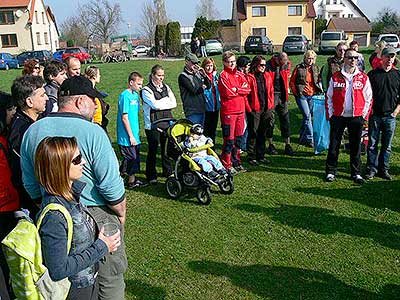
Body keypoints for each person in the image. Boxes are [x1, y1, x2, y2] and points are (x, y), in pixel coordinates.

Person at [20, 75, 127, 300]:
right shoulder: (94, 132)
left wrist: (49, 204)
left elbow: (29, 183)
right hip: (96, 214)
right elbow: (111, 187)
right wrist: (120, 214)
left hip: (51, 210)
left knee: (65, 284)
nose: (96, 104)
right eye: (93, 99)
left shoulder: (32, 131)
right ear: (80, 102)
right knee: (110, 278)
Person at [34, 136, 121, 300]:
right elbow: (58, 269)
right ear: (59, 167)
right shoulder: (54, 216)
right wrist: (101, 246)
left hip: (86, 284)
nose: (84, 163)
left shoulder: (69, 197)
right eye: (77, 159)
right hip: (73, 291)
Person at [325, 48, 373, 184]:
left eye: (355, 58)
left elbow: (369, 98)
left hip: (356, 117)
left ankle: (356, 173)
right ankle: (330, 171)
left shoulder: (363, 78)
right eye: (350, 57)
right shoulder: (335, 77)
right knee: (334, 144)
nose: (353, 60)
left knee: (355, 146)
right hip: (338, 117)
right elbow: (328, 97)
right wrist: (331, 115)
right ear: (344, 59)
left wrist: (363, 116)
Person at [8, 75, 47, 217]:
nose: (47, 99)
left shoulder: (38, 121)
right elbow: (22, 171)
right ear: (29, 101)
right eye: (42, 95)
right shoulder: (21, 131)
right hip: (32, 200)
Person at [366, 47, 400, 180]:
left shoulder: (397, 75)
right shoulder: (373, 75)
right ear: (382, 58)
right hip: (375, 116)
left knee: (387, 146)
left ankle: (383, 169)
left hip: (390, 116)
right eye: (388, 56)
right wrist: (370, 110)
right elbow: (366, 95)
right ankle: (371, 169)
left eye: (392, 57)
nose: (390, 59)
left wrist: (396, 111)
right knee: (372, 144)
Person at [141, 64, 177, 184]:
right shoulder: (146, 90)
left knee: (166, 149)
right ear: (152, 75)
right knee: (153, 149)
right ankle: (151, 175)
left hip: (166, 122)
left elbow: (174, 103)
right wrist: (165, 101)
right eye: (158, 75)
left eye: (162, 75)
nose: (161, 78)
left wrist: (161, 103)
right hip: (152, 124)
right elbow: (154, 105)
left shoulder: (166, 87)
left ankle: (168, 171)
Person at [218, 51, 251, 174]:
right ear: (224, 62)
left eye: (233, 61)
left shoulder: (239, 74)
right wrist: (239, 91)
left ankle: (236, 161)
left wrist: (237, 89)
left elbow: (248, 89)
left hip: (240, 111)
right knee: (229, 139)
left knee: (238, 138)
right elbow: (228, 93)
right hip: (229, 112)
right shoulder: (223, 76)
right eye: (229, 62)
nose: (231, 64)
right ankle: (227, 163)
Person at [0, 92, 19, 299]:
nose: (14, 113)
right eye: (10, 109)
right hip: (5, 208)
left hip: (10, 205)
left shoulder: (6, 136)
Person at [117, 71, 147, 189]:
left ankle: (123, 176)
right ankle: (130, 182)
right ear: (131, 82)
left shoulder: (135, 95)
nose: (141, 87)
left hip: (135, 133)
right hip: (127, 136)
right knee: (132, 158)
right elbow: (125, 118)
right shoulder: (125, 96)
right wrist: (130, 136)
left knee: (134, 157)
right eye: (139, 84)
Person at [290, 50, 322, 148]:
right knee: (307, 117)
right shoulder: (299, 68)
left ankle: (302, 136)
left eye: (312, 59)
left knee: (307, 117)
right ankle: (310, 139)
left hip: (312, 95)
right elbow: (292, 81)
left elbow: (318, 80)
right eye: (309, 58)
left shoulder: (315, 68)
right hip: (302, 95)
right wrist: (296, 93)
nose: (310, 60)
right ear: (305, 58)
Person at [245, 55, 274, 166]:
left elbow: (270, 92)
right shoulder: (249, 77)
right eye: (261, 65)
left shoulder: (267, 76)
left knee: (262, 132)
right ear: (255, 65)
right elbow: (246, 94)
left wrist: (270, 106)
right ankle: (251, 155)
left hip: (266, 108)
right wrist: (249, 108)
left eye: (264, 65)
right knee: (253, 132)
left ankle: (261, 155)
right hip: (254, 109)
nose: (263, 67)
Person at [265, 52, 294, 155]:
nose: (284, 65)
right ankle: (270, 144)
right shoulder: (268, 65)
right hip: (272, 95)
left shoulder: (286, 64)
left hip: (282, 95)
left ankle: (287, 144)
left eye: (286, 63)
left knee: (285, 120)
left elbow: (288, 71)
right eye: (282, 63)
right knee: (270, 121)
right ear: (278, 59)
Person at [178, 53, 211, 126]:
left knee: (200, 134)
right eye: (193, 63)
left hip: (202, 109)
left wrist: (205, 75)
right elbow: (193, 91)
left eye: (196, 63)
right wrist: (202, 87)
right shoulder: (183, 77)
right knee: (193, 134)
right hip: (192, 111)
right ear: (187, 61)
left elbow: (208, 86)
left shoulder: (198, 74)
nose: (195, 65)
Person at [84, 65, 110, 131]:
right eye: (99, 74)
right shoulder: (89, 91)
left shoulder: (93, 89)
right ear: (94, 77)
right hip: (94, 124)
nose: (100, 76)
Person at [201, 57, 220, 145]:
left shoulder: (215, 76)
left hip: (216, 107)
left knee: (213, 130)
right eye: (207, 66)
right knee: (206, 131)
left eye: (211, 66)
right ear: (204, 67)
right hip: (206, 107)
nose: (209, 68)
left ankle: (213, 149)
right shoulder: (201, 77)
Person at [236, 56, 251, 152]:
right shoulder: (238, 76)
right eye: (248, 65)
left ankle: (243, 144)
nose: (249, 67)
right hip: (241, 105)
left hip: (246, 103)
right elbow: (242, 91)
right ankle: (239, 145)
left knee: (246, 125)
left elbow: (248, 89)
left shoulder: (246, 75)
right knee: (242, 126)